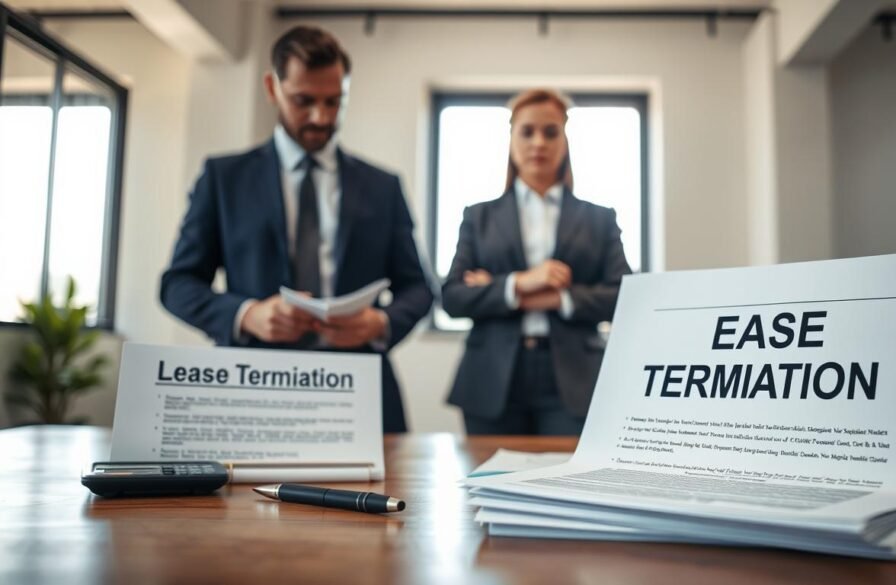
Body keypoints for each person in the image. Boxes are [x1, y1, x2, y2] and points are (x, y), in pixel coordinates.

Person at [160, 26, 432, 433]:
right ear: (272, 88)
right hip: (252, 391)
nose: (321, 117)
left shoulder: (383, 186)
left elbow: (420, 288)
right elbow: (177, 284)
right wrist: (247, 315)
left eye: (333, 101)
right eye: (304, 101)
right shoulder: (224, 178)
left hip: (361, 393)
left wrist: (381, 323)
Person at [442, 88, 631, 435]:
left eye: (550, 132)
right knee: (488, 471)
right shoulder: (479, 216)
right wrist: (521, 282)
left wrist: (546, 296)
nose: (538, 143)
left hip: (576, 378)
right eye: (527, 131)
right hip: (491, 377)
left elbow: (625, 298)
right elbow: (452, 298)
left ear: (565, 140)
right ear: (511, 138)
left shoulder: (600, 218)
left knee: (569, 470)